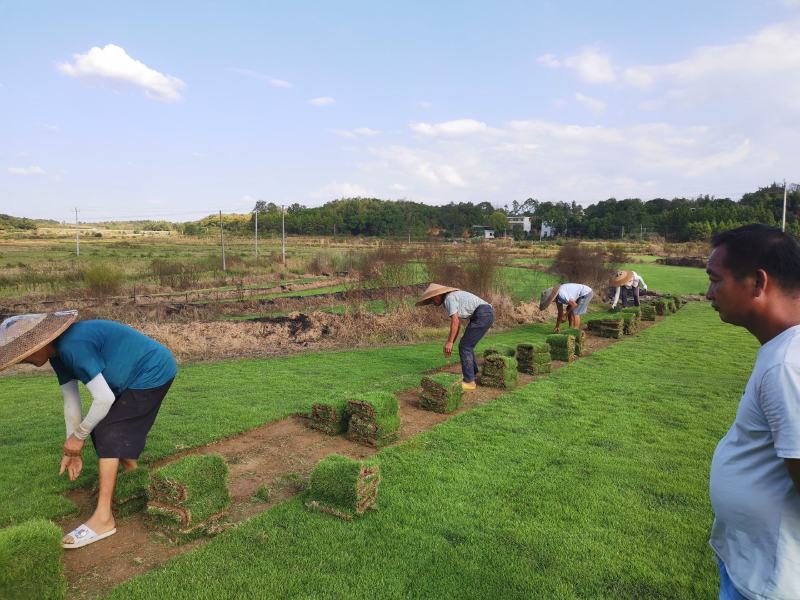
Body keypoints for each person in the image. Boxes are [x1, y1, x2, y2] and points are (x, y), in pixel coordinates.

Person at [0, 311, 177, 549]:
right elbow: (71, 401)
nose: (23, 360)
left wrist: (78, 437)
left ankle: (104, 518)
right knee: (101, 430)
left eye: (24, 354)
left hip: (152, 371)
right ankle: (135, 477)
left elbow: (103, 399)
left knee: (109, 431)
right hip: (129, 378)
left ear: (40, 343)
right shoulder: (58, 355)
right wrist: (71, 448)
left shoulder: (73, 346)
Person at [705, 224, 800, 600]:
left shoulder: (788, 365)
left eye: (715, 280)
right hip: (753, 568)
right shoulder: (783, 351)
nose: (709, 293)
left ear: (757, 282)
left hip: (771, 583)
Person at [416, 283, 494, 391]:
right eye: (430, 300)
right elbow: (457, 324)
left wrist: (449, 342)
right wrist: (451, 341)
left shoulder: (449, 298)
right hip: (485, 314)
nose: (432, 302)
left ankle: (469, 382)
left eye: (432, 299)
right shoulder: (452, 297)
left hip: (482, 314)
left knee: (465, 346)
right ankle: (473, 373)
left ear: (438, 295)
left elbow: (455, 321)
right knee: (467, 345)